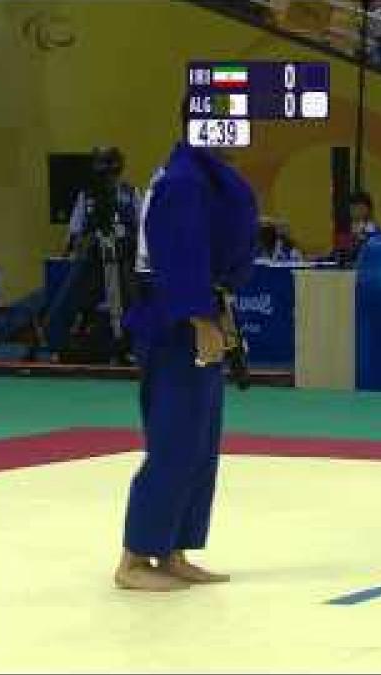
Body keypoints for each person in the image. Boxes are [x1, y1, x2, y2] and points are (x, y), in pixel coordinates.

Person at [114, 123, 258, 591]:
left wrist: (221, 313)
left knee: (200, 443)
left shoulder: (208, 177)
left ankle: (171, 549)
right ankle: (134, 559)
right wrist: (199, 319)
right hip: (175, 323)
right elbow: (176, 257)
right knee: (174, 440)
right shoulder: (182, 181)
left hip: (202, 312)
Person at [43, 146, 142, 363]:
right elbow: (75, 232)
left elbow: (142, 230)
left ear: (118, 169)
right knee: (68, 298)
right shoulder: (86, 196)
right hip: (92, 259)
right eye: (103, 170)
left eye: (111, 170)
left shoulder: (131, 193)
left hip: (124, 258)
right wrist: (73, 249)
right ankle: (58, 344)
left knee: (132, 300)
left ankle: (131, 347)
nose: (108, 177)